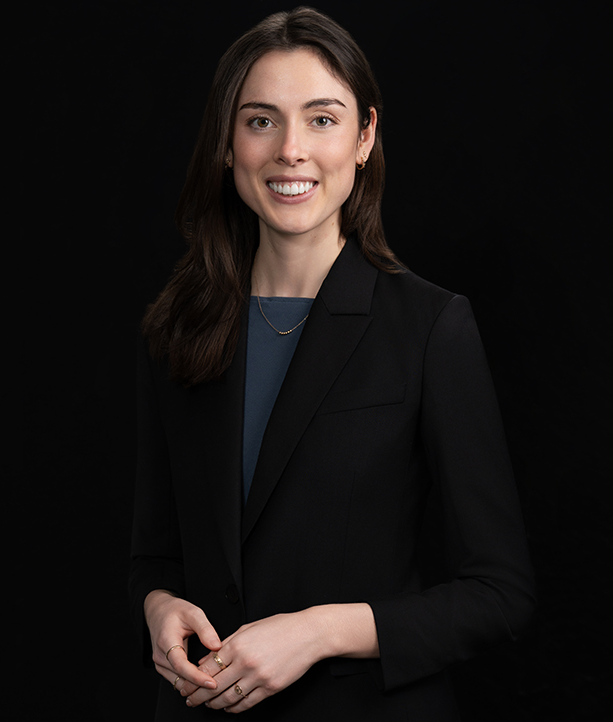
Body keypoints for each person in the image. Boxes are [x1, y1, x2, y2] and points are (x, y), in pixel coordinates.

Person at [130, 6, 535, 720]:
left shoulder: (431, 328)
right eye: (261, 121)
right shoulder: (176, 328)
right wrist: (159, 608)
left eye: (322, 119)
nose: (291, 150)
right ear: (226, 143)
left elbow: (499, 594)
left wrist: (317, 633)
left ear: (364, 138)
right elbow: (156, 554)